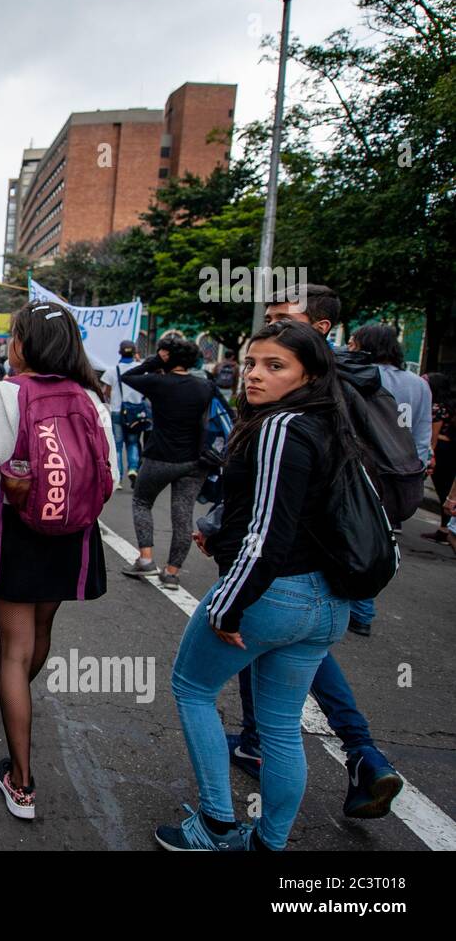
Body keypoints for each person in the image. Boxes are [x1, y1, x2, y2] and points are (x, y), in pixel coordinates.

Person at [157, 319, 356, 851]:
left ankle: (217, 822)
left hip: (274, 595)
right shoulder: (329, 423)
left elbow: (268, 535)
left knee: (192, 688)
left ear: (308, 374)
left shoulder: (282, 427)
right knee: (282, 727)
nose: (254, 375)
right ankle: (269, 842)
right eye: (250, 362)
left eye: (274, 366)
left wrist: (227, 606)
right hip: (327, 601)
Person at [229, 284, 404, 820]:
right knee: (303, 654)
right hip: (347, 543)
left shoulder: (315, 392)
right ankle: (361, 756)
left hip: (300, 550)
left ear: (319, 331)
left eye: (285, 319)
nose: (273, 327)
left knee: (250, 645)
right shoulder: (371, 382)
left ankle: (254, 775)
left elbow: (284, 486)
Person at [0, 302, 116, 820]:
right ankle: (18, 699)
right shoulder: (93, 401)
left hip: (11, 529)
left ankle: (22, 782)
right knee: (43, 627)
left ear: (21, 345)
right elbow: (109, 474)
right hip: (71, 531)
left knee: (12, 648)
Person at [344, 323, 430, 635]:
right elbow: (422, 432)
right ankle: (362, 606)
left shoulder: (363, 377)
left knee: (357, 533)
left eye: (353, 342)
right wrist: (417, 467)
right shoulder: (418, 384)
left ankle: (359, 607)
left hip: (365, 467)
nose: (349, 347)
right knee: (381, 535)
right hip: (401, 472)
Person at [120, 335, 213, 589]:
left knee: (141, 501)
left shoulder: (158, 383)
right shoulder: (204, 386)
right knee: (183, 516)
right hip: (195, 460)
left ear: (166, 356)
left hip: (160, 455)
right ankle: (172, 573)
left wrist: (152, 362)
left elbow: (127, 376)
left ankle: (146, 559)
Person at [100, 339, 148, 486]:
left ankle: (118, 477)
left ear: (119, 352)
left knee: (118, 445)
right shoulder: (141, 369)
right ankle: (133, 469)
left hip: (117, 411)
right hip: (136, 412)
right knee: (133, 442)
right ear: (135, 352)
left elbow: (106, 392)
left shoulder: (112, 370)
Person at [424, 372, 454, 546]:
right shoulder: (450, 406)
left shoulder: (437, 407)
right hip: (451, 452)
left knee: (445, 492)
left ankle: (445, 529)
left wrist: (430, 456)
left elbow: (433, 437)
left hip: (443, 454)